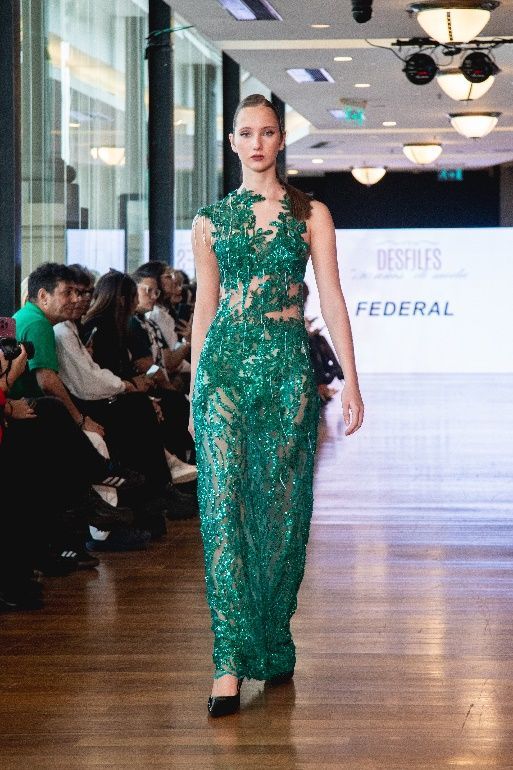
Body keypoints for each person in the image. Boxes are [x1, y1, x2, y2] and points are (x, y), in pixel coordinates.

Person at [189, 93, 364, 717]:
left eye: (267, 132)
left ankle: (272, 637)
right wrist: (193, 390)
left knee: (282, 518)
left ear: (281, 140)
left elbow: (333, 296)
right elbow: (204, 307)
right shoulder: (209, 220)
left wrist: (350, 379)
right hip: (224, 376)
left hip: (288, 371)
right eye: (246, 133)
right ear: (232, 142)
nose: (257, 142)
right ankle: (229, 660)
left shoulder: (311, 213)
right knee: (221, 508)